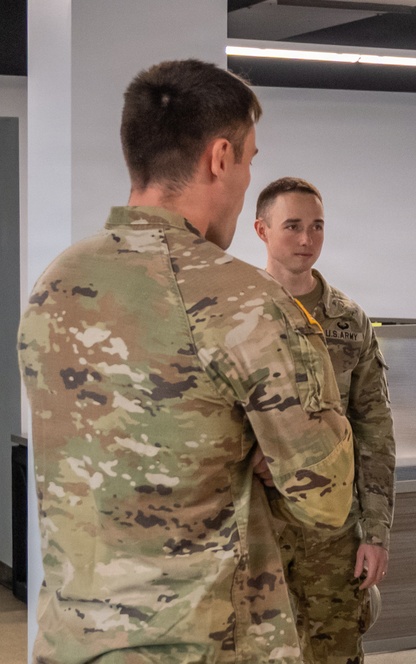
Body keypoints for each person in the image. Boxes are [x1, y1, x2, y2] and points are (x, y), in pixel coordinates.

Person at [17, 60, 356, 663]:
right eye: (251, 159)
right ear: (220, 157)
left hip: (74, 638)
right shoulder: (242, 299)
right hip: (203, 644)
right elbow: (324, 495)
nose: (248, 173)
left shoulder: (57, 281)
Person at [254, 177, 396, 663]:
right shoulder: (238, 315)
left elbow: (375, 430)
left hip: (334, 531)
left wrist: (375, 535)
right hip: (259, 526)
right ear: (261, 230)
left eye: (316, 226)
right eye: (291, 226)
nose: (306, 239)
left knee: (336, 652)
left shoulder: (348, 321)